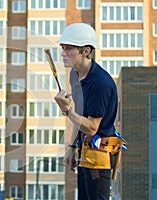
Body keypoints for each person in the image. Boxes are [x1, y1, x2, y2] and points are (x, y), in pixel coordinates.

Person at [54, 23, 119, 200]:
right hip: (84, 153)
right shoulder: (75, 74)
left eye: (69, 49)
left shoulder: (100, 83)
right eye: (63, 48)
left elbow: (91, 127)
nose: (63, 53)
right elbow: (81, 115)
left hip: (98, 158)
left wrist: (67, 111)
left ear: (86, 51)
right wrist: (72, 146)